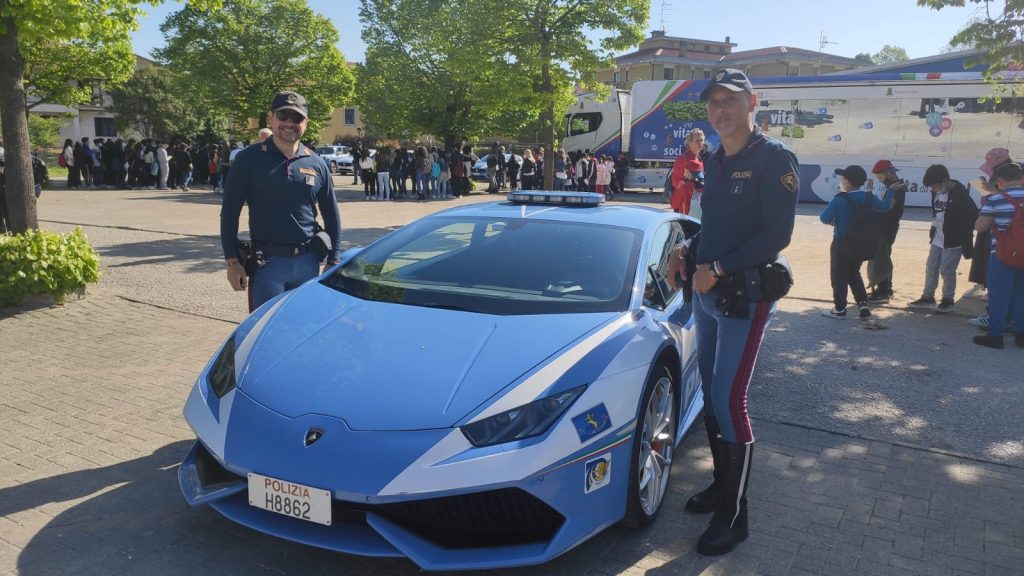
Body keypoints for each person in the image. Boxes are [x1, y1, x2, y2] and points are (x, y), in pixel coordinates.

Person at [667, 69, 798, 556]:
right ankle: (724, 487)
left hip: (742, 298)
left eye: (730, 100)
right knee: (711, 399)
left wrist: (716, 266)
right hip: (706, 293)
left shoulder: (774, 157)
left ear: (752, 102)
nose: (721, 109)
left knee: (729, 401)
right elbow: (718, 223)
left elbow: (774, 236)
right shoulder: (717, 159)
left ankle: (735, 514)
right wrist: (690, 249)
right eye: (713, 102)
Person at [221, 91, 342, 312]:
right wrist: (232, 261)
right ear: (271, 118)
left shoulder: (316, 163)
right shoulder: (249, 159)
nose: (289, 123)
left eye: (296, 118)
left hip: (308, 263)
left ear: (306, 123)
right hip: (267, 265)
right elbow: (229, 212)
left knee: (303, 326)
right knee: (264, 330)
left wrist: (334, 260)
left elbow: (331, 214)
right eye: (283, 116)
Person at [819, 165, 894, 319]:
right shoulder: (868, 197)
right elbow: (885, 206)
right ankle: (863, 305)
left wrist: (835, 221)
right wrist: (891, 190)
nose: (842, 181)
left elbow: (824, 218)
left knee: (839, 276)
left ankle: (839, 309)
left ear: (847, 181)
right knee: (854, 273)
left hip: (841, 244)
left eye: (843, 178)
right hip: (861, 244)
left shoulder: (839, 199)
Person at [907, 164, 978, 314]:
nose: (933, 189)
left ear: (945, 180)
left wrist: (958, 231)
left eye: (934, 185)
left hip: (953, 240)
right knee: (931, 267)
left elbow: (973, 217)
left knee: (947, 270)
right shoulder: (936, 193)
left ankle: (947, 300)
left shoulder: (961, 196)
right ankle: (928, 297)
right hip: (937, 238)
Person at [972, 161, 1024, 349]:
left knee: (999, 295)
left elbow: (980, 226)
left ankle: (996, 336)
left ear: (1000, 181)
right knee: (1021, 294)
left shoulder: (996, 199)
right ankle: (1021, 335)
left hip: (1001, 254)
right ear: (1021, 179)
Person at [866, 160, 908, 301]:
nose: (879, 180)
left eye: (880, 176)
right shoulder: (892, 186)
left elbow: (887, 208)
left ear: (888, 173)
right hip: (886, 225)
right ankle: (886, 288)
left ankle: (883, 291)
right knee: (883, 256)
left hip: (887, 226)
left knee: (882, 257)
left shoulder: (895, 188)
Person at [671, 129, 706, 215]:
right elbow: (675, 182)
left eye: (701, 140)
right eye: (697, 140)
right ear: (689, 143)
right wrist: (686, 181)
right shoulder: (682, 159)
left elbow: (701, 182)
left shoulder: (699, 160)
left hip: (696, 202)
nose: (700, 143)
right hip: (684, 205)